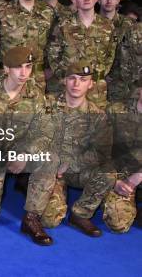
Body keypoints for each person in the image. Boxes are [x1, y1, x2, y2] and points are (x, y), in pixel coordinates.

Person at [0, 46, 57, 245]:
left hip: (21, 152)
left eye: (28, 67)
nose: (24, 73)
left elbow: (45, 131)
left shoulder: (36, 94)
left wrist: (25, 153)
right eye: (18, 67)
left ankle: (32, 219)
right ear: (6, 69)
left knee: (50, 159)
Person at [41, 61, 116, 237]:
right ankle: (56, 196)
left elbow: (101, 153)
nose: (76, 84)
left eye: (83, 80)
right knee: (49, 220)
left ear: (91, 84)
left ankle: (81, 214)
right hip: (49, 170)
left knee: (108, 173)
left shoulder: (98, 116)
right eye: (72, 78)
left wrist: (69, 163)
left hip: (78, 170)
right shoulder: (47, 105)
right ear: (64, 81)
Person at [47, 0, 116, 109]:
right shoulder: (63, 25)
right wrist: (64, 77)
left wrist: (99, 75)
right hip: (69, 86)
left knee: (95, 125)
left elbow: (110, 54)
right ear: (75, 0)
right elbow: (53, 55)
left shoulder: (107, 26)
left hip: (96, 88)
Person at [0, 0, 55, 90]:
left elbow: (53, 43)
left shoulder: (48, 12)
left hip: (36, 76)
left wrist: (52, 68)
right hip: (8, 74)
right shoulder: (2, 11)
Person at [103, 87, 141, 233]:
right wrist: (113, 180)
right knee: (118, 223)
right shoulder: (116, 111)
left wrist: (136, 178)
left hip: (136, 176)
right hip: (117, 173)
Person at [97, 0, 134, 102]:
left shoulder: (128, 24)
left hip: (120, 83)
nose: (109, 1)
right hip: (95, 80)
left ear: (118, 0)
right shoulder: (91, 22)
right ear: (98, 0)